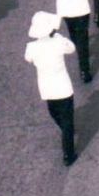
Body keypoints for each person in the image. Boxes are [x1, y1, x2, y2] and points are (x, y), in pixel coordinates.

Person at [24, 11, 77, 165]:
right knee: (68, 118)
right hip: (63, 86)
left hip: (47, 88)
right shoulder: (58, 42)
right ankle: (68, 153)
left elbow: (28, 59)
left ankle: (66, 133)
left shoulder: (31, 47)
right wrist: (61, 37)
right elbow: (71, 48)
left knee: (55, 114)